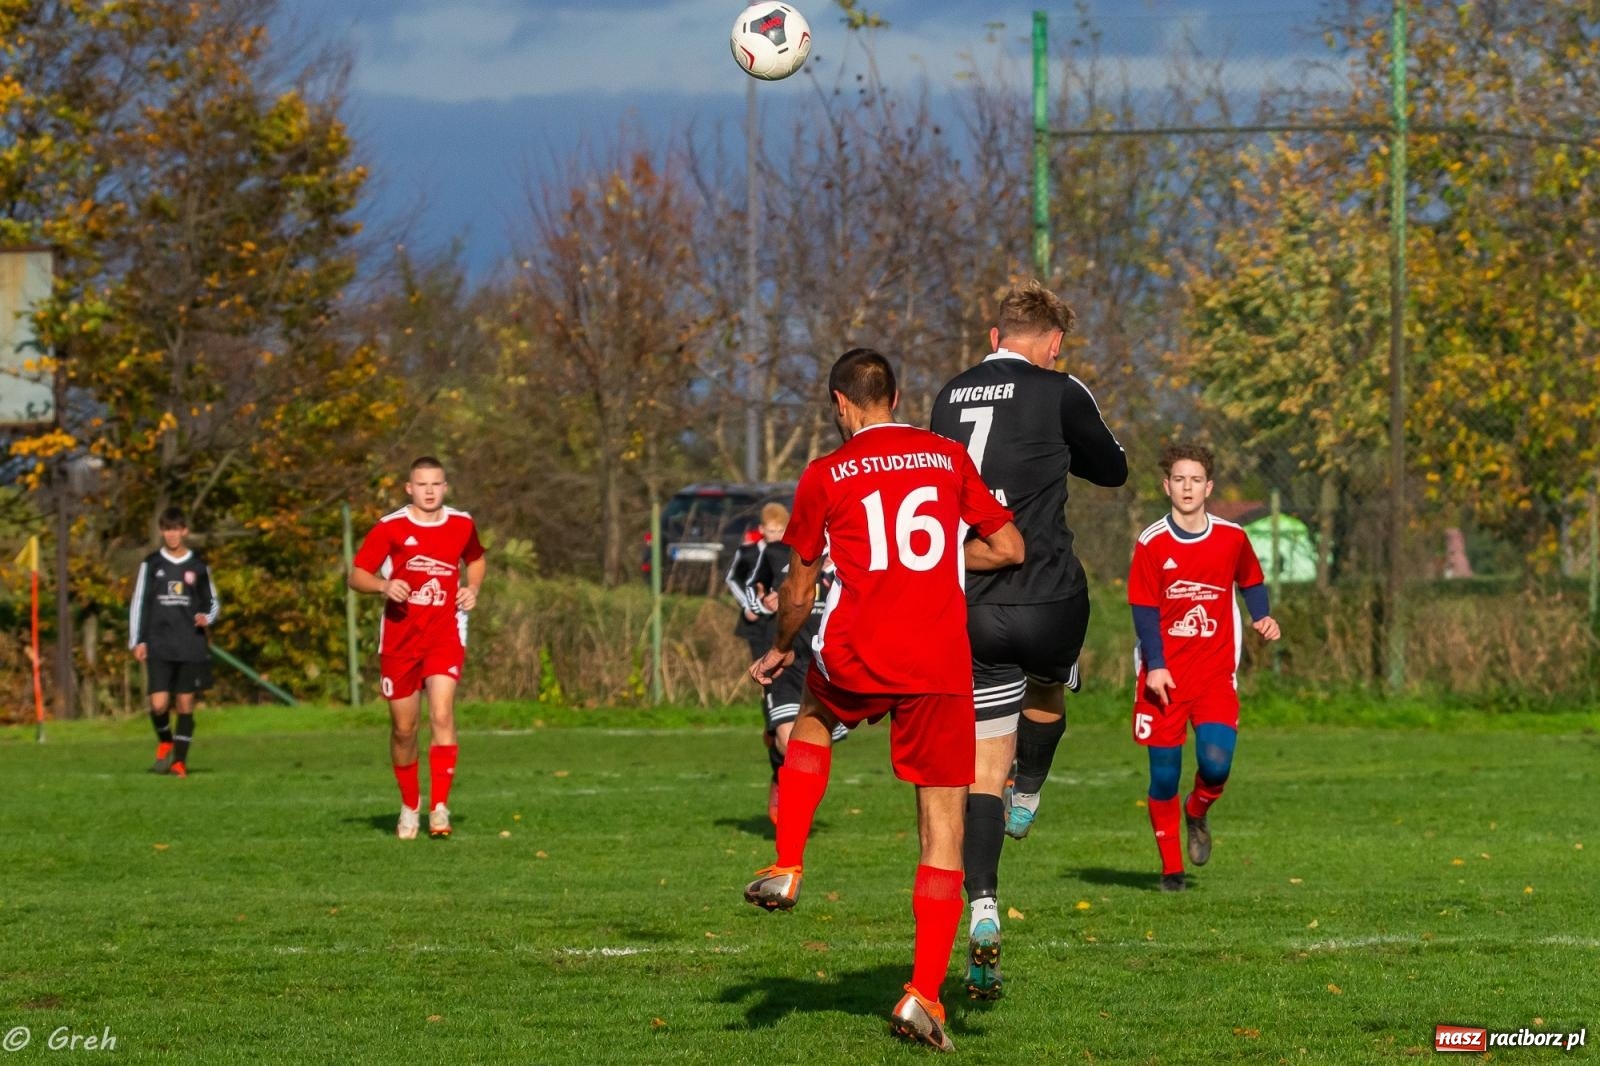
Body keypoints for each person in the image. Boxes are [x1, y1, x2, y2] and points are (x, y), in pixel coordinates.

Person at [745, 348, 1023, 1052]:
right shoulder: (945, 456)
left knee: (810, 719)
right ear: (895, 395)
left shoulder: (825, 474)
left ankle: (787, 863)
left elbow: (799, 590)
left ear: (841, 404)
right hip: (938, 662)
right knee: (942, 827)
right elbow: (1009, 545)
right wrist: (931, 560)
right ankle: (924, 995)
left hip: (861, 647)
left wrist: (781, 646)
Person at [929, 279, 1127, 998]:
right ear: (1053, 346)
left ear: (992, 340)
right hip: (1049, 595)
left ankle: (982, 904)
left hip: (974, 601)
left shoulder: (948, 396)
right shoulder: (1059, 386)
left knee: (982, 763)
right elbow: (1114, 468)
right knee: (1049, 681)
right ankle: (1034, 789)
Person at [1129, 443, 1280, 891]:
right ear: (1167, 486)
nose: (1188, 487)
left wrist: (1261, 615)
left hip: (1215, 676)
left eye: (1196, 479)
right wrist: (1155, 665)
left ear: (1209, 487)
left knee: (1215, 764)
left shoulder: (1232, 537)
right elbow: (1143, 608)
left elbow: (1251, 580)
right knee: (1163, 775)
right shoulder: (1152, 542)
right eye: (1179, 479)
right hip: (1164, 680)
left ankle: (1197, 811)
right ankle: (1171, 870)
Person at [349, 457, 486, 840]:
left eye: (436, 484)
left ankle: (439, 808)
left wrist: (471, 589)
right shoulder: (390, 528)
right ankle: (410, 806)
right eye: (422, 484)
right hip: (400, 639)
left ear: (445, 486)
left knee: (442, 715)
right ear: (409, 488)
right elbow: (356, 574)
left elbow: (475, 559)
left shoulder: (461, 523)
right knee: (404, 730)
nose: (429, 491)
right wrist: (382, 586)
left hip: (445, 634)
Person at [129, 507, 220, 778]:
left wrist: (207, 617)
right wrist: (138, 640)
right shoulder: (152, 564)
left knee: (184, 704)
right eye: (167, 529)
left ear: (184, 531)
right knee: (158, 704)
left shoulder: (198, 565)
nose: (172, 534)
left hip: (189, 645)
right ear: (162, 532)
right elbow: (139, 602)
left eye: (176, 529)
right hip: (158, 643)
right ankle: (165, 739)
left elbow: (211, 602)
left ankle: (179, 761)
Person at [726, 503, 790, 820]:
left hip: (783, 627)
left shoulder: (788, 554)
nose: (776, 535)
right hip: (759, 629)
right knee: (767, 684)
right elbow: (734, 579)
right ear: (762, 529)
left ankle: (780, 736)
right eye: (772, 530)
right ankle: (773, 728)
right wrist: (751, 605)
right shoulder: (751, 553)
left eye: (781, 530)